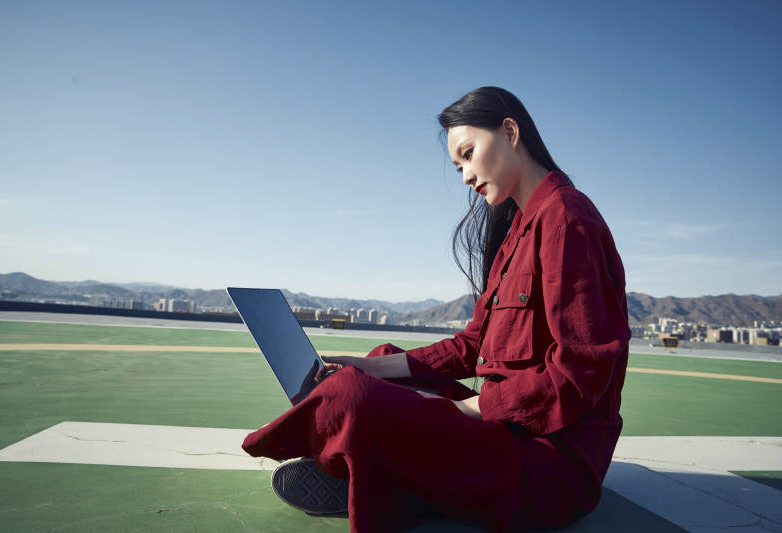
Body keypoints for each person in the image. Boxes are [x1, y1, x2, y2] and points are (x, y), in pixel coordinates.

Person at [242, 86, 631, 533]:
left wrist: (466, 409)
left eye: (468, 154)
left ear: (509, 132)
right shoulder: (518, 231)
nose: (465, 175)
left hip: (548, 467)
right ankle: (399, 482)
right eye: (458, 164)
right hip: (507, 433)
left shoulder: (567, 220)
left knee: (350, 397)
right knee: (375, 363)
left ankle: (386, 479)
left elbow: (580, 374)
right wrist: (365, 366)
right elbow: (471, 347)